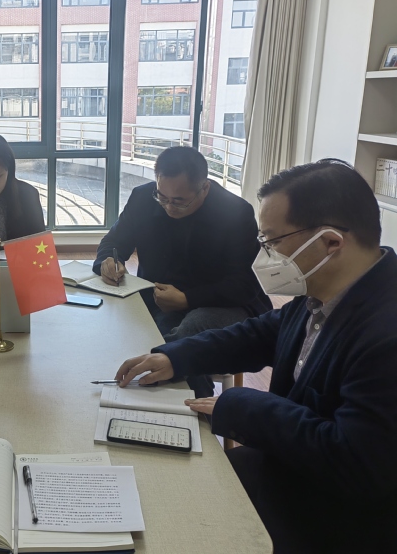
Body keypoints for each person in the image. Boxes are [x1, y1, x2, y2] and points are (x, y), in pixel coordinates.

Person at [114, 159, 397, 552]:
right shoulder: (322, 292)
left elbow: (355, 462)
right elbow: (260, 334)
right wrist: (176, 357)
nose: (265, 255)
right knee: (166, 486)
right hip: (292, 466)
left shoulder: (386, 334)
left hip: (339, 518)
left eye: (273, 241)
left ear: (331, 243)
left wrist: (240, 406)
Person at [94, 146, 271, 342]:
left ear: (205, 188)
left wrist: (187, 299)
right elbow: (114, 241)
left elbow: (245, 284)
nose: (169, 207)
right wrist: (108, 260)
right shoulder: (143, 198)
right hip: (158, 298)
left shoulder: (235, 213)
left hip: (217, 302)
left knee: (190, 329)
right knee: (108, 319)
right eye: (162, 197)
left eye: (179, 201)